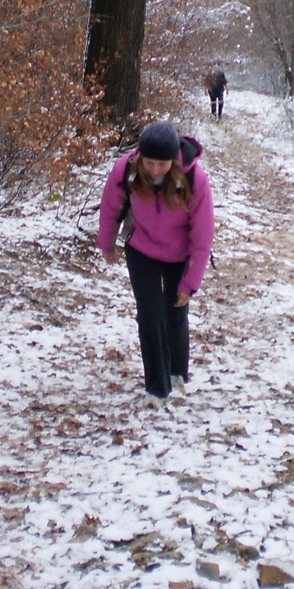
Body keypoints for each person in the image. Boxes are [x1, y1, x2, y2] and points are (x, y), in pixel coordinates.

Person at [97, 121, 215, 407]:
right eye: (149, 162)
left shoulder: (195, 180)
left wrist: (191, 282)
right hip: (142, 248)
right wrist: (107, 242)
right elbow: (111, 206)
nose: (154, 169)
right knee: (150, 317)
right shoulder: (126, 169)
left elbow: (202, 235)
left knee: (175, 312)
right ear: (140, 157)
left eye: (162, 164)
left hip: (180, 254)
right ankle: (157, 387)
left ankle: (177, 373)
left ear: (174, 159)